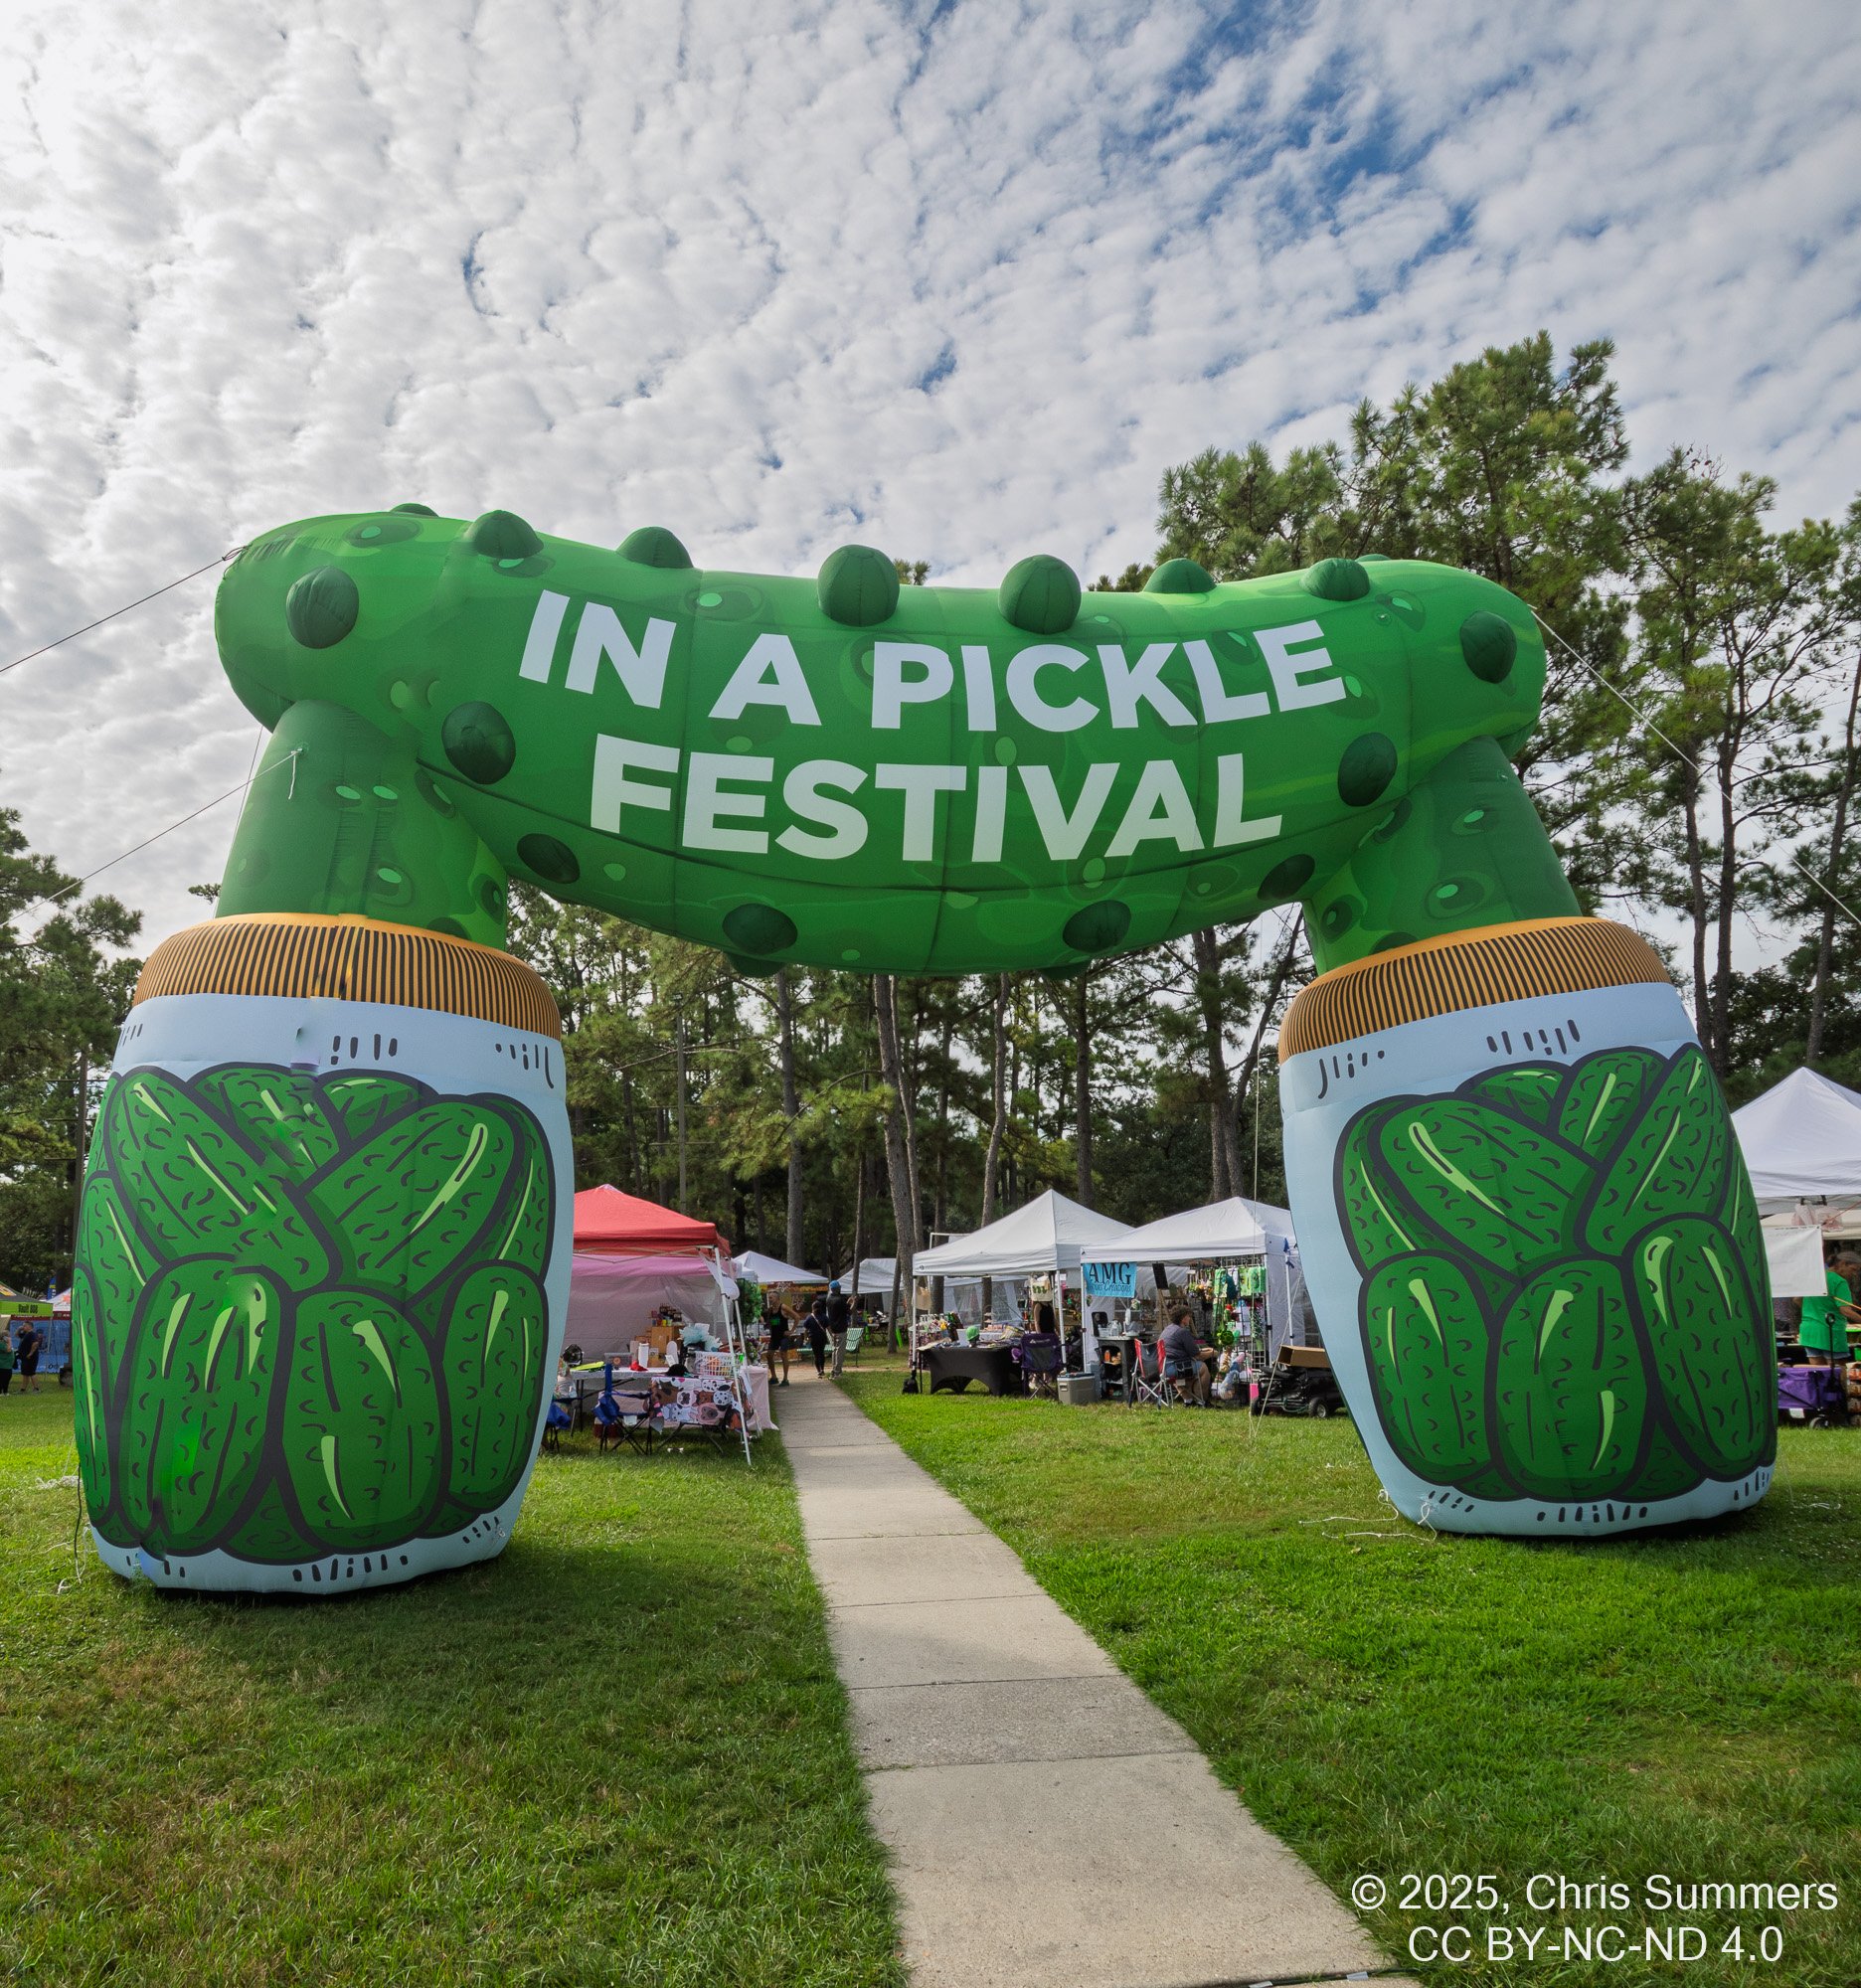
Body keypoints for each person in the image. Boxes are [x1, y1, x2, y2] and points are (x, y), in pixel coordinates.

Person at [1799, 1244, 1860, 1366]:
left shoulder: (1815, 1276)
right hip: (1830, 1332)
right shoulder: (1839, 1281)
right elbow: (1845, 1310)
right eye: (1853, 1269)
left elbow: (1797, 1299)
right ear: (1843, 1264)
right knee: (1838, 1373)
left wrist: (1814, 1312)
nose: (1854, 1274)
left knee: (1817, 1374)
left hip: (1809, 1330)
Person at [1159, 1306, 1209, 1406]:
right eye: (1188, 1316)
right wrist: (1213, 1353)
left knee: (1188, 1371)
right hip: (1175, 1368)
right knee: (1203, 1368)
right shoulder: (1182, 1332)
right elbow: (1197, 1355)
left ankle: (1188, 1400)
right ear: (1183, 1318)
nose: (1189, 1319)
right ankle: (1201, 1401)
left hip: (1164, 1367)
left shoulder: (1167, 1329)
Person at [826, 1278, 852, 1377]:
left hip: (832, 1329)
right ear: (837, 1289)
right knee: (840, 1351)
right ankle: (838, 1371)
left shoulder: (829, 1299)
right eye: (839, 1287)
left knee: (834, 1350)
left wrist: (847, 1303)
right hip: (841, 1328)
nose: (840, 1288)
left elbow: (841, 1308)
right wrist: (854, 1302)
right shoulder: (840, 1300)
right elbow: (849, 1312)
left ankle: (834, 1369)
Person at [767, 1300, 794, 1387]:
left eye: (772, 1297)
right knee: (769, 1355)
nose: (770, 1298)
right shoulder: (770, 1310)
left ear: (777, 1298)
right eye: (769, 1297)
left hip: (783, 1336)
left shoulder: (783, 1307)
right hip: (774, 1337)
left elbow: (796, 1317)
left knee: (783, 1355)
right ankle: (774, 1377)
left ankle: (785, 1379)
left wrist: (791, 1331)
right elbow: (772, 1322)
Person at [14, 1317, 43, 1395]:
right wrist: (19, 1328)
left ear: (29, 1326)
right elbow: (16, 1334)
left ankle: (36, 1389)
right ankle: (23, 1389)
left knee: (31, 1373)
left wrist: (30, 1353)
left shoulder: (32, 1334)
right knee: (25, 1373)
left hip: (30, 1357)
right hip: (25, 1357)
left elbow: (36, 1344)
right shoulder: (25, 1334)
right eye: (23, 1326)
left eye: (24, 1326)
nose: (23, 1327)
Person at [803, 1291, 829, 1377]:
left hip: (813, 1338)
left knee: (816, 1354)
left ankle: (818, 1371)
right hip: (822, 1338)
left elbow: (805, 1330)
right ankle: (822, 1369)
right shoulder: (824, 1317)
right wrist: (832, 1336)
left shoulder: (809, 1317)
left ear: (813, 1308)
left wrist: (806, 1339)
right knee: (821, 1353)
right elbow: (828, 1328)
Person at [0, 1325, 14, 1396]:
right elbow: (8, 1350)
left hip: (8, 1366)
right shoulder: (1, 1343)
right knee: (2, 1379)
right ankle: (1, 1392)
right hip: (2, 1365)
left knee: (7, 1379)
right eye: (8, 1336)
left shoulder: (6, 1343)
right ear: (4, 1337)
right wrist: (9, 1341)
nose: (9, 1337)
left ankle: (5, 1391)